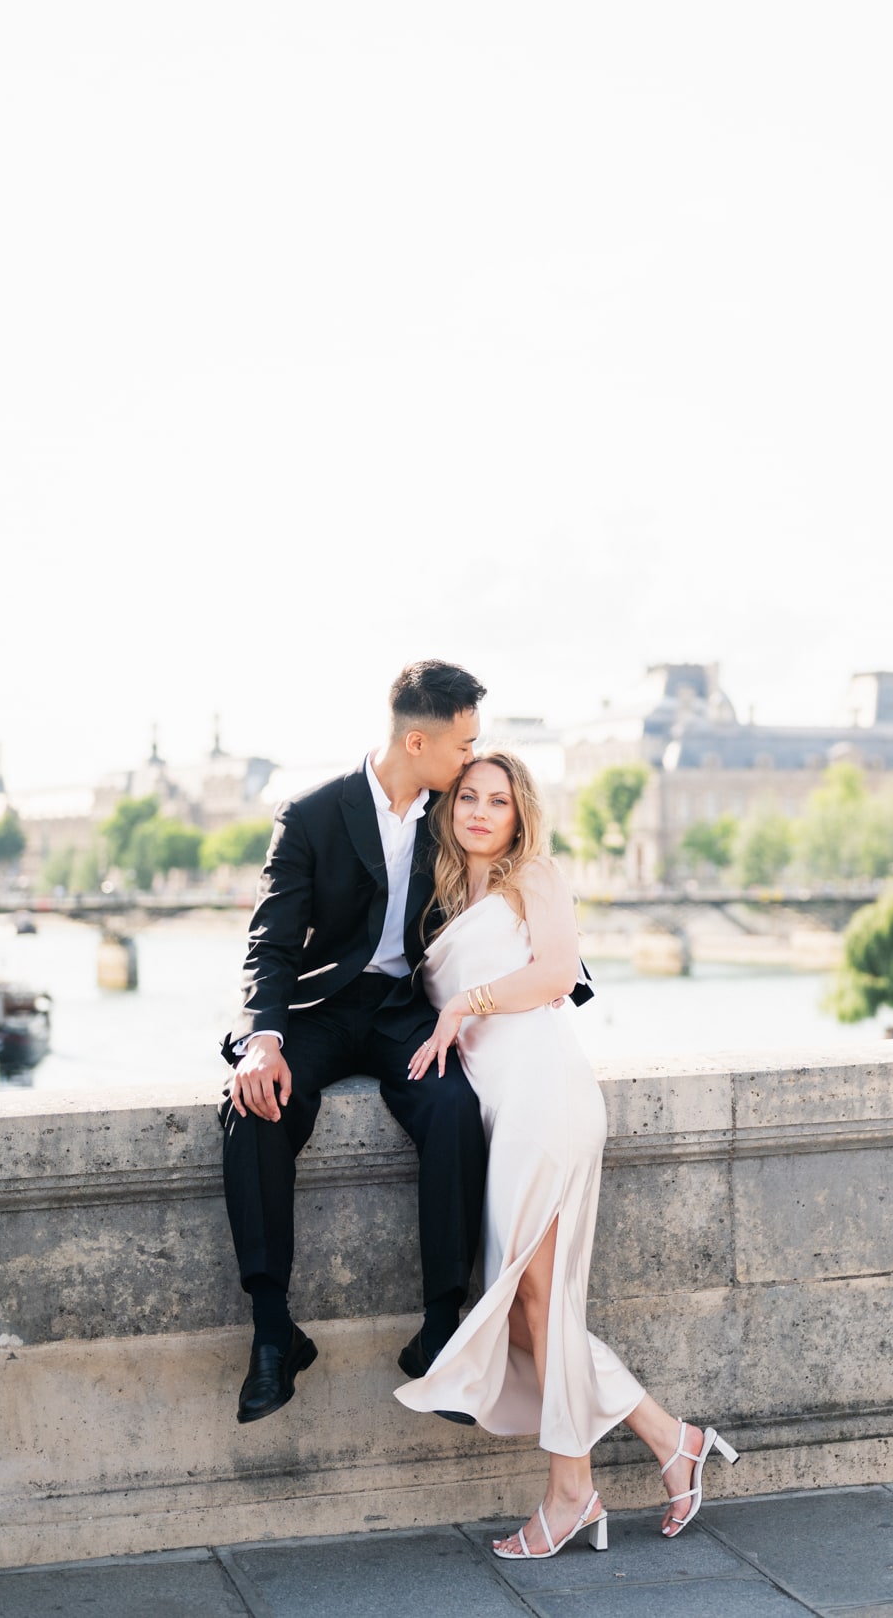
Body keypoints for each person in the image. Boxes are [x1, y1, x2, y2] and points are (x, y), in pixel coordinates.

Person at [395, 749, 740, 1557]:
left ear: (520, 816)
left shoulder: (534, 877)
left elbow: (554, 974)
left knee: (542, 1306)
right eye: (469, 798)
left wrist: (464, 1008)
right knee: (524, 1310)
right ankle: (671, 1439)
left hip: (547, 1098)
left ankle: (572, 1493)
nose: (480, 811)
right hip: (500, 1112)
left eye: (499, 802)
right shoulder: (444, 897)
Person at [219, 660, 492, 1426]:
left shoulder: (454, 809)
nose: (471, 757)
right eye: (463, 744)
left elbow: (508, 878)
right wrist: (262, 1041)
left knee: (452, 1107)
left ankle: (440, 1330)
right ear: (416, 741)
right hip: (321, 1008)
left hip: (407, 1007)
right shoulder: (310, 815)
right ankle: (273, 1332)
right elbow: (270, 941)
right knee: (255, 1104)